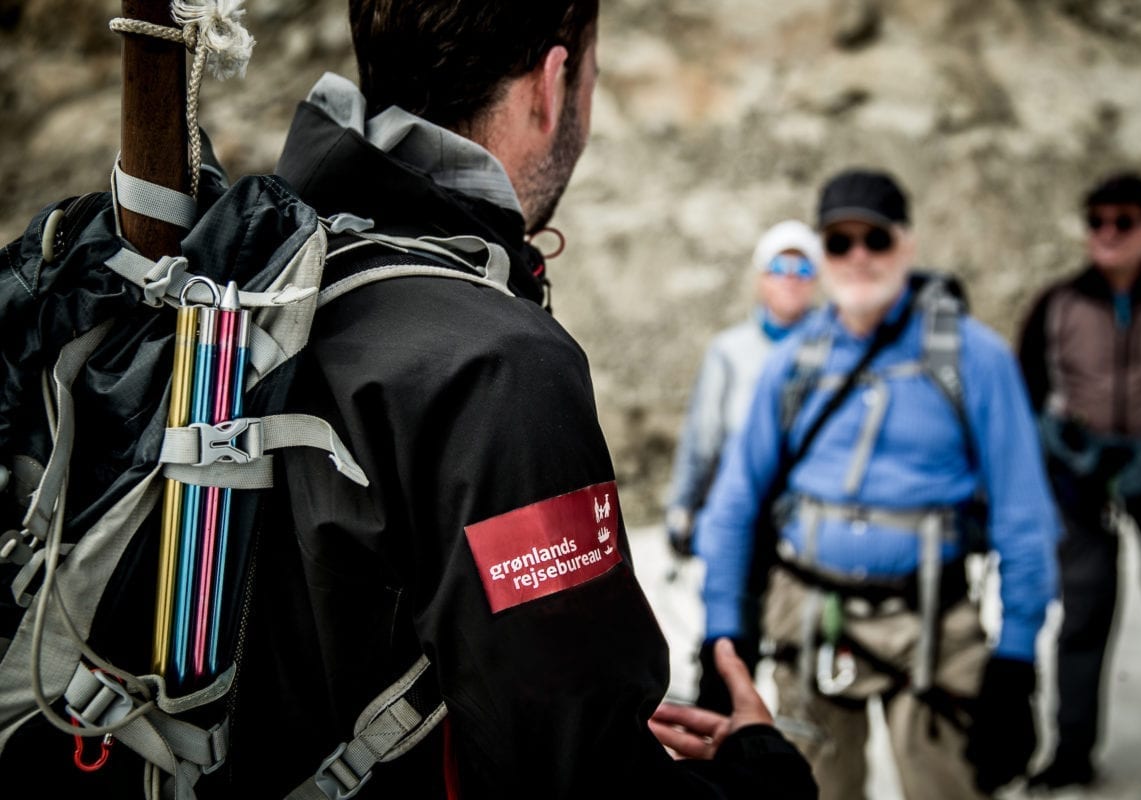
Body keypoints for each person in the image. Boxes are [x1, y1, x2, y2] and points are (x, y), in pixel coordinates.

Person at [217, 3, 816, 799]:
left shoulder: (246, 279)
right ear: (554, 83)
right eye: (591, 79)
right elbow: (582, 785)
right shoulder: (499, 367)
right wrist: (761, 773)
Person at [696, 167, 1060, 799]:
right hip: (806, 625)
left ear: (907, 245)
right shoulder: (793, 365)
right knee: (809, 792)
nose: (859, 257)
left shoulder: (974, 357)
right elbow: (734, 505)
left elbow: (1024, 514)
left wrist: (1017, 660)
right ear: (822, 253)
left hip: (934, 628)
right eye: (840, 242)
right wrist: (722, 639)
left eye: (876, 240)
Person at [1019, 172, 1141, 794]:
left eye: (1122, 221)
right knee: (1081, 621)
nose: (1108, 234)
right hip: (1081, 490)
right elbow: (1029, 397)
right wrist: (1067, 454)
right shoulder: (1058, 304)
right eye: (1097, 220)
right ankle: (1071, 755)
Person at [666, 220, 823, 560]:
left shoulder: (837, 350)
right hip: (741, 515)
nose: (791, 278)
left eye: (803, 268)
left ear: (816, 280)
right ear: (761, 278)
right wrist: (683, 507)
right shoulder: (728, 351)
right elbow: (702, 438)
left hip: (812, 521)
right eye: (779, 267)